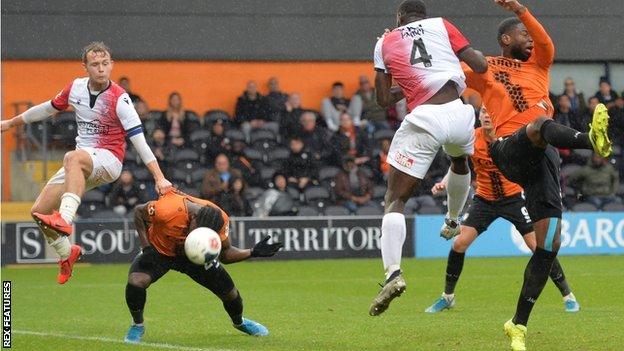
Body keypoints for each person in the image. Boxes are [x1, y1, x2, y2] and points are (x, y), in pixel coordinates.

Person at [461, 1, 612, 349]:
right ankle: (590, 140)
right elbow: (450, 77)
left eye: (529, 35)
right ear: (504, 39)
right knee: (539, 124)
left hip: (542, 159)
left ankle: (517, 325)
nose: (529, 39)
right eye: (521, 35)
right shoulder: (486, 66)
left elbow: (547, 45)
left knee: (548, 246)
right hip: (508, 150)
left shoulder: (539, 65)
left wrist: (521, 11)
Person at [0, 42, 172, 284]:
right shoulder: (75, 88)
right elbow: (47, 109)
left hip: (109, 160)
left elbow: (139, 140)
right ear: (85, 67)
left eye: (105, 64)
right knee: (38, 211)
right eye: (95, 64)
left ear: (111, 65)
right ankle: (66, 253)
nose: (101, 69)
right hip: (81, 162)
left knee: (72, 157)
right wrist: (10, 123)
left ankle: (66, 219)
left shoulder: (120, 99)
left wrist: (159, 176)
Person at [368, 0, 488, 316]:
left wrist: (408, 80)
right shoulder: (442, 25)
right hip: (461, 113)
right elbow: (480, 65)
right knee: (460, 161)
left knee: (395, 199)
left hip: (426, 118)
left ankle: (392, 273)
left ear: (399, 18)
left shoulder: (385, 41)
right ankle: (453, 219)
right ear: (424, 14)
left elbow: (382, 100)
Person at [424, 107, 579, 314]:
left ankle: (568, 296)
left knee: (538, 248)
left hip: (513, 199)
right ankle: (447, 297)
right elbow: (458, 164)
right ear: (479, 116)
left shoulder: (510, 135)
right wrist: (444, 182)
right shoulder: (471, 138)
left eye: (491, 111)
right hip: (484, 200)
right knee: (459, 243)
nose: (487, 115)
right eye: (483, 112)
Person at [123, 190, 283, 343]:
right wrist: (146, 247)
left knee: (230, 294)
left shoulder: (219, 221)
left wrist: (252, 252)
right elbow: (138, 212)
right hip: (160, 251)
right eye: (196, 231)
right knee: (136, 281)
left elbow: (225, 254)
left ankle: (240, 322)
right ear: (192, 217)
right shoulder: (167, 209)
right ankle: (137, 325)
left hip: (195, 258)